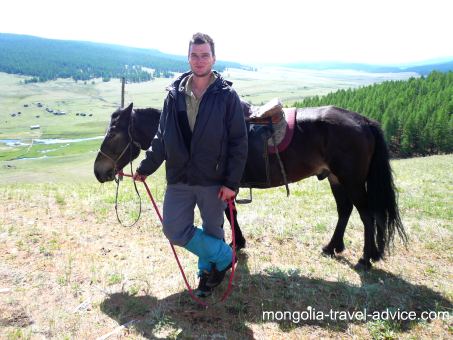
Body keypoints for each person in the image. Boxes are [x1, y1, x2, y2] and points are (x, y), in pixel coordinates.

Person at [133, 33, 248, 297]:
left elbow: (239, 142)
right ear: (188, 58)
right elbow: (162, 136)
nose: (199, 61)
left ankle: (206, 277)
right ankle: (225, 256)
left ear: (214, 58)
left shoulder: (227, 96)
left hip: (213, 178)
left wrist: (231, 183)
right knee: (173, 229)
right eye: (194, 55)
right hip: (179, 178)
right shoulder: (173, 95)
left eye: (204, 55)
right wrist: (145, 167)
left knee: (212, 228)